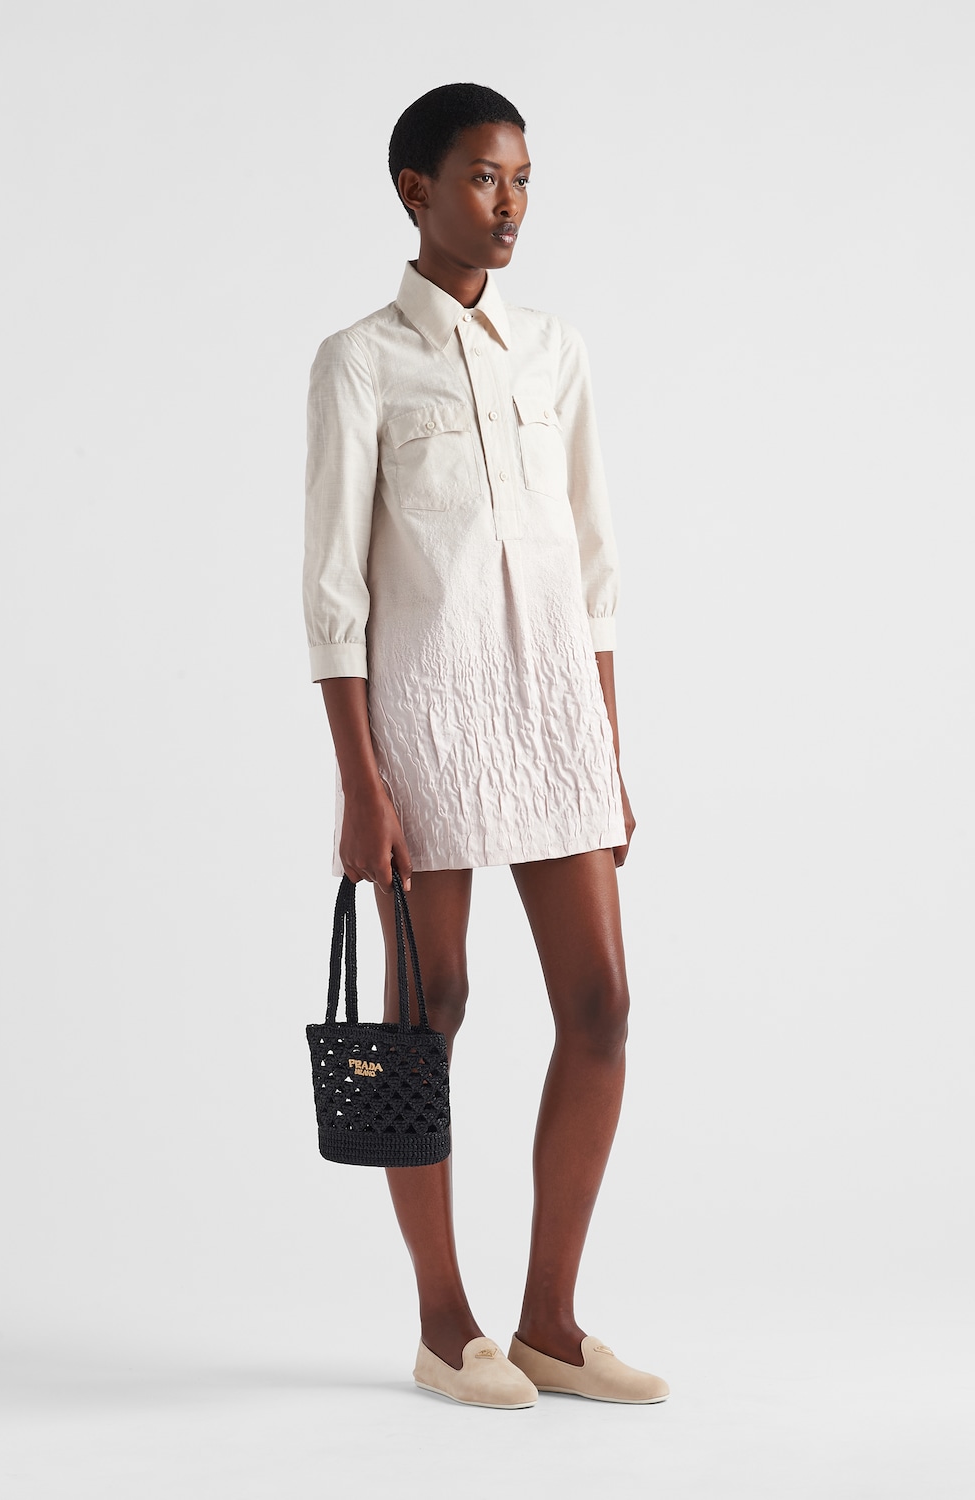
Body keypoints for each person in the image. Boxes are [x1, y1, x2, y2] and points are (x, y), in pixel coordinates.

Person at [303, 82, 668, 1409]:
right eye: (480, 178)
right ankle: (445, 1324)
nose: (508, 205)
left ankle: (552, 1325)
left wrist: (606, 751)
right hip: (428, 721)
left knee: (602, 1007)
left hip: (555, 714)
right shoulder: (360, 361)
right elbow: (334, 592)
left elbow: (595, 570)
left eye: (521, 180)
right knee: (430, 1016)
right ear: (414, 190)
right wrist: (361, 784)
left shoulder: (554, 353)